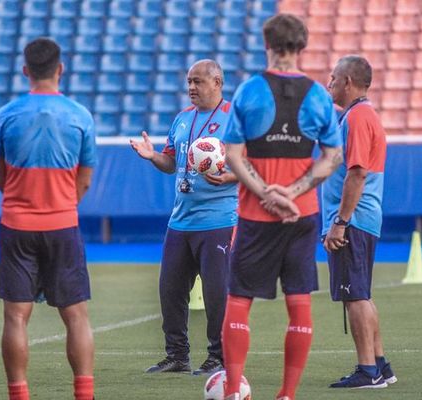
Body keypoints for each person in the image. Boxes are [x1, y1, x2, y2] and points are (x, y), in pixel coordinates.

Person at [221, 14, 343, 400]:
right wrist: (292, 192)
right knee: (299, 302)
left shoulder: (248, 91)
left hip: (256, 214)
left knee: (240, 300)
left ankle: (230, 390)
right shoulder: (319, 96)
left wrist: (266, 193)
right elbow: (333, 157)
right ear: (302, 46)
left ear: (267, 44)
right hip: (302, 213)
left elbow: (233, 156)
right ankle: (287, 395)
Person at [0, 38, 97, 400]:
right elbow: (84, 179)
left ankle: (18, 395)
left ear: (25, 71)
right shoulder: (80, 115)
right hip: (62, 224)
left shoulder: (5, 115)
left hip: (17, 224)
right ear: (60, 69)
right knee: (76, 316)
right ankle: (84, 394)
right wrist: (64, 203)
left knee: (16, 317)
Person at [130, 60, 238, 376]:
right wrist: (153, 157)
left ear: (217, 82)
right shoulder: (181, 119)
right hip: (180, 221)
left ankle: (219, 357)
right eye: (189, 81)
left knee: (218, 293)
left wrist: (230, 177)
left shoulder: (234, 119)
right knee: (170, 290)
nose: (191, 87)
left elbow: (253, 168)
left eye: (198, 81)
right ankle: (177, 356)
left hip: (219, 220)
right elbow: (171, 163)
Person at [323, 55, 396, 389]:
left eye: (334, 78)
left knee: (355, 295)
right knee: (361, 293)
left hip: (355, 220)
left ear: (348, 82)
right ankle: (380, 364)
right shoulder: (357, 116)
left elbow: (357, 173)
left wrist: (340, 221)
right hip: (361, 219)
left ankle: (367, 370)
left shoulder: (358, 118)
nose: (329, 83)